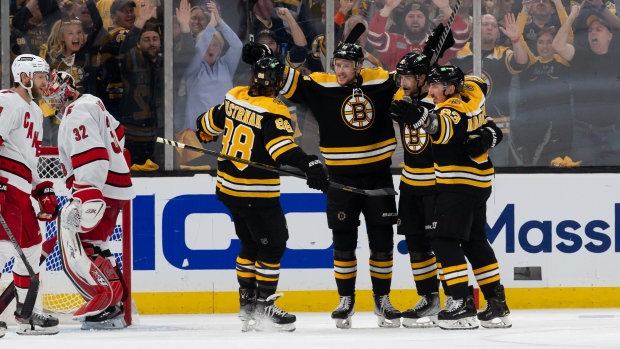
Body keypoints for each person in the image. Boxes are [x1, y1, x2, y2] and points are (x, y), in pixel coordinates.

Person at [195, 56, 329, 332]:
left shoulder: (235, 96)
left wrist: (204, 133)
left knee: (250, 244)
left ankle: (247, 303)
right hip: (255, 191)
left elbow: (207, 124)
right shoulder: (274, 110)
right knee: (274, 243)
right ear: (278, 82)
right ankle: (264, 303)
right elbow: (281, 150)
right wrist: (310, 163)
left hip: (229, 188)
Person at [278, 41, 402, 329]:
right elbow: (286, 81)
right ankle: (346, 300)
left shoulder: (380, 79)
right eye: (337, 64)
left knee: (382, 244)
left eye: (346, 65)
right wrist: (266, 59)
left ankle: (382, 300)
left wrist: (430, 50)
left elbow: (411, 78)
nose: (340, 70)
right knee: (344, 244)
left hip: (378, 176)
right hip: (341, 179)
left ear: (360, 66)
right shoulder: (321, 85)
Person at [390, 65, 510, 330]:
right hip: (479, 180)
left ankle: (460, 302)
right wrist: (490, 134)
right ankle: (496, 303)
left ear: (451, 88)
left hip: (458, 182)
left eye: (436, 86)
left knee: (443, 240)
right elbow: (480, 84)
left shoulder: (450, 109)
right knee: (475, 242)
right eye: (430, 85)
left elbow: (442, 126)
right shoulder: (473, 93)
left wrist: (422, 120)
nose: (432, 91)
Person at [42, 70, 135, 330]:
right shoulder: (92, 101)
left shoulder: (76, 114)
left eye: (52, 95)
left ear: (64, 91)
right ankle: (114, 304)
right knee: (95, 243)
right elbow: (118, 132)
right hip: (114, 186)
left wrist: (87, 194)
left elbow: (92, 155)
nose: (51, 102)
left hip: (100, 189)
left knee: (78, 245)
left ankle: (105, 303)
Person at [0, 54, 59, 335]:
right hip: (4, 185)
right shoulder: (7, 100)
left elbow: (31, 159)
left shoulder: (35, 110)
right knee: (0, 250)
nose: (45, 82)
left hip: (21, 189)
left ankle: (27, 314)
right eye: (40, 76)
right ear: (24, 77)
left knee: (33, 248)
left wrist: (43, 190)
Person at [552, 6, 620, 166]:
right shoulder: (580, 55)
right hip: (585, 135)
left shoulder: (617, 57)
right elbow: (557, 46)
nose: (593, 33)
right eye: (590, 30)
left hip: (616, 134)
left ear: (610, 36)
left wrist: (602, 8)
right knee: (582, 185)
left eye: (599, 29)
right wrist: (572, 17)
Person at [181, 1, 242, 169]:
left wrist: (220, 22)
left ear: (221, 49)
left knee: (224, 170)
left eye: (216, 44)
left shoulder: (226, 66)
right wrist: (210, 27)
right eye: (208, 43)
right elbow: (198, 51)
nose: (211, 47)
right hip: (197, 132)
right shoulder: (193, 68)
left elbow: (237, 46)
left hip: (224, 131)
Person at [367, 0, 470, 70]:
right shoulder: (394, 41)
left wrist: (446, 8)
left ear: (426, 20)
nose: (415, 20)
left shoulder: (437, 43)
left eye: (419, 16)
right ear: (404, 20)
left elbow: (462, 36)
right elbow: (374, 36)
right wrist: (387, 8)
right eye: (411, 16)